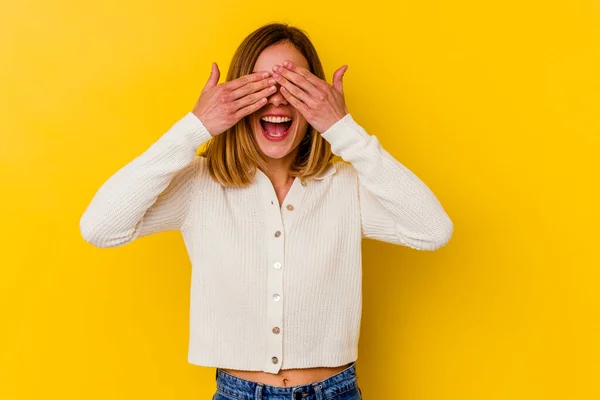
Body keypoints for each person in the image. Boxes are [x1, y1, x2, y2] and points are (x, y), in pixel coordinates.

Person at [80, 22, 453, 400]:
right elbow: (100, 227)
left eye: (294, 87)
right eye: (261, 86)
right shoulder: (199, 185)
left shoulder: (347, 185)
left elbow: (433, 230)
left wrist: (343, 128)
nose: (277, 100)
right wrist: (195, 128)